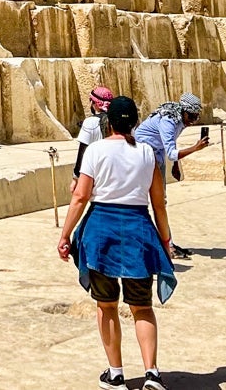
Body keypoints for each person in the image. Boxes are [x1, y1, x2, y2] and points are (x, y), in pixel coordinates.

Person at [58, 95, 175, 390]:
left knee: (107, 305)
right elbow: (158, 204)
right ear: (135, 123)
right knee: (142, 307)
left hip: (101, 232)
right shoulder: (147, 153)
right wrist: (165, 240)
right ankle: (152, 374)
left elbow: (80, 197)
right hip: (139, 231)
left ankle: (116, 374)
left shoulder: (96, 150)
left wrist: (65, 235)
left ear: (107, 123)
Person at [134, 94, 209, 259]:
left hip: (157, 155)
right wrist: (195, 148)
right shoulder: (169, 121)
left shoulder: (180, 120)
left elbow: (170, 143)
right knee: (154, 202)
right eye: (192, 116)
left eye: (196, 117)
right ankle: (166, 245)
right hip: (144, 156)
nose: (194, 120)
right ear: (184, 111)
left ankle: (168, 243)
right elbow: (171, 152)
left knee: (161, 202)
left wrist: (175, 164)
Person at [72, 85, 114, 192]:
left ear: (95, 103)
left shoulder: (90, 122)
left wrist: (75, 178)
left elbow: (82, 153)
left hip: (98, 177)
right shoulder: (118, 120)